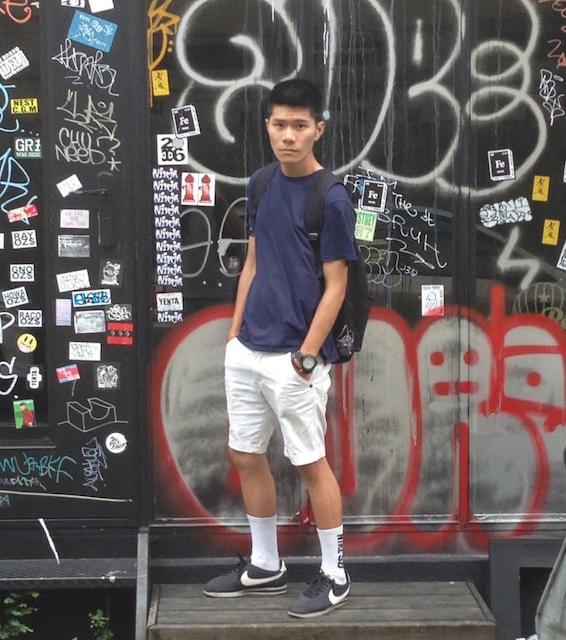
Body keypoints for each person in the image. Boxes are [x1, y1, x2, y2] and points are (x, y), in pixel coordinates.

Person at [203, 78, 357, 618]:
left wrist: (308, 357)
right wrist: (234, 332)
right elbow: (253, 260)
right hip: (248, 349)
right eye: (279, 124)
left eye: (299, 125)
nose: (288, 135)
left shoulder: (330, 198)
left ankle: (335, 574)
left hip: (296, 357)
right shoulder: (262, 181)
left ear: (319, 129)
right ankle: (266, 564)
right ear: (267, 126)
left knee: (311, 463)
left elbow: (336, 287)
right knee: (246, 455)